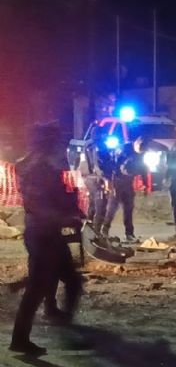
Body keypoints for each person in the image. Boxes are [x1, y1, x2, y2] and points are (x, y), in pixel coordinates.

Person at [11, 123, 84, 356]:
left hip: (43, 233)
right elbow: (41, 205)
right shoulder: (39, 170)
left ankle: (54, 316)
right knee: (42, 286)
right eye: (57, 141)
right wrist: (65, 216)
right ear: (49, 143)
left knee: (61, 281)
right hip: (43, 234)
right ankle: (22, 339)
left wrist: (68, 209)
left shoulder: (35, 166)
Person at [97, 138, 146, 243]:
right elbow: (112, 166)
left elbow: (143, 167)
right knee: (112, 208)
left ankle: (129, 234)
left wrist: (145, 183)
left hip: (128, 182)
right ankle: (104, 231)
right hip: (117, 181)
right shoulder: (123, 150)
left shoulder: (141, 152)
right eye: (140, 149)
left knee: (128, 208)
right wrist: (110, 182)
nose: (140, 152)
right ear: (136, 143)